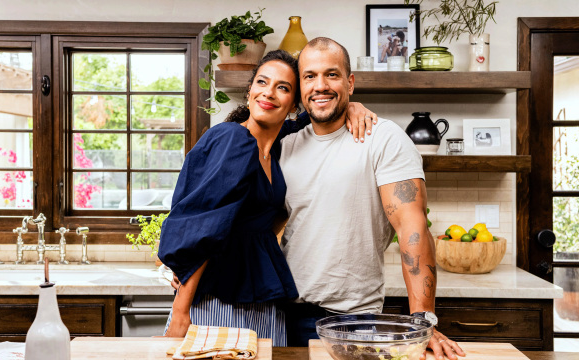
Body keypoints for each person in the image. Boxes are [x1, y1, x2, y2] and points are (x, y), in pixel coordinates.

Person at [158, 49, 377, 346]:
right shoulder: (231, 139)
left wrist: (353, 106)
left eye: (283, 88)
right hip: (219, 299)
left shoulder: (277, 149)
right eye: (262, 82)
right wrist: (181, 311)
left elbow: (318, 116)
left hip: (262, 300)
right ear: (249, 91)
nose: (269, 93)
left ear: (293, 104)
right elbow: (202, 229)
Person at [278, 38, 466, 360]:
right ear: (299, 86)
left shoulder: (382, 138)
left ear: (350, 83)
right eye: (309, 76)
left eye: (332, 75)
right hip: (282, 315)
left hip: (353, 320)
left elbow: (412, 225)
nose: (320, 86)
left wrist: (423, 320)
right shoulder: (285, 144)